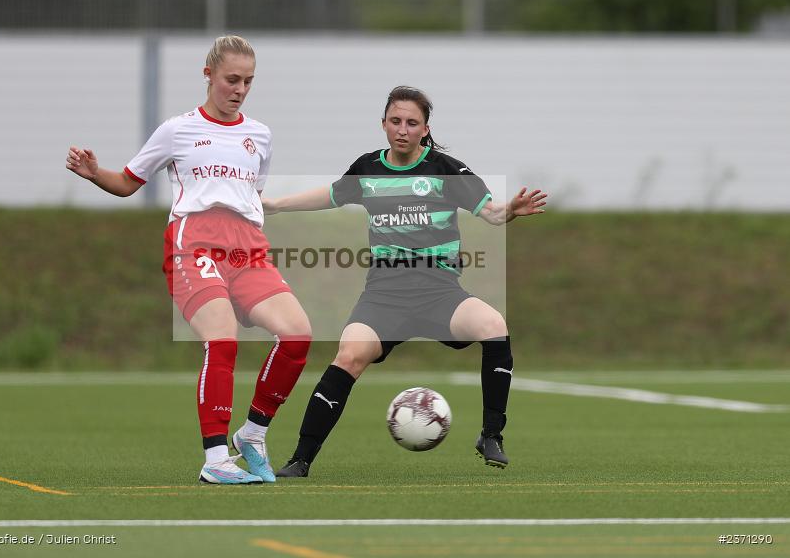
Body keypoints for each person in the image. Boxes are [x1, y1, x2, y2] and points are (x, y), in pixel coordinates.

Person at [261, 86, 547, 478]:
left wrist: (511, 211)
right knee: (348, 356)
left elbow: (493, 214)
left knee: (494, 327)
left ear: (425, 129)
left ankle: (491, 435)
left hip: (440, 293)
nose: (403, 129)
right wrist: (275, 205)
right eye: (395, 121)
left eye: (412, 123)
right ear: (383, 124)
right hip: (385, 297)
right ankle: (300, 459)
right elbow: (331, 195)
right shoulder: (368, 169)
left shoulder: (447, 171)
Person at [66, 35, 311, 485]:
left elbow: (250, 195)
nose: (239, 89)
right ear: (208, 75)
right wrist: (93, 172)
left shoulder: (260, 135)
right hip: (193, 240)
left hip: (247, 245)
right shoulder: (177, 130)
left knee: (298, 335)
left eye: (248, 82)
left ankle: (252, 434)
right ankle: (215, 459)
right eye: (231, 79)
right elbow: (126, 182)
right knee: (223, 338)